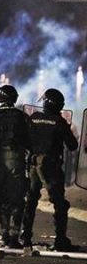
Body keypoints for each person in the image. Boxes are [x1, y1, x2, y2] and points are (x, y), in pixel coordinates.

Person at [21, 89, 79, 251]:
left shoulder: (33, 118)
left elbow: (24, 140)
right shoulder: (59, 121)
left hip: (34, 164)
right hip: (50, 166)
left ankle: (25, 237)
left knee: (30, 201)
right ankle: (60, 240)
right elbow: (72, 145)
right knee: (59, 203)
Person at [0, 85, 31, 248]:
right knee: (16, 199)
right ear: (14, 98)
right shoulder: (22, 117)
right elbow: (29, 140)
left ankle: (2, 234)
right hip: (15, 159)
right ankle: (14, 237)